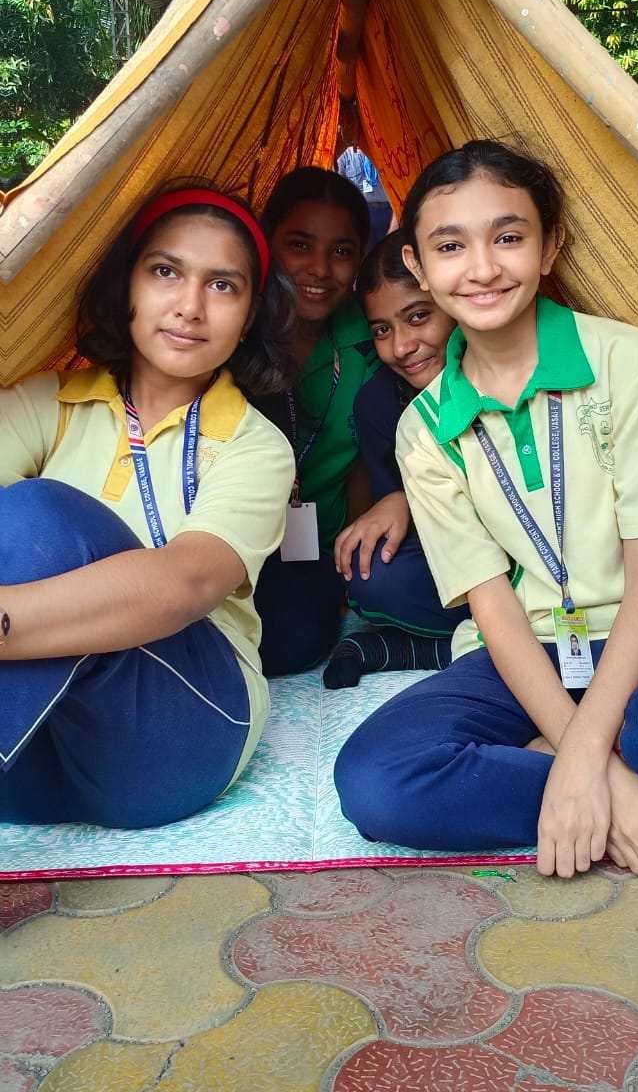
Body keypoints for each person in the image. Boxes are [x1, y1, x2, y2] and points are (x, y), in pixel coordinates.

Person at [335, 140, 638, 877]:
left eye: (508, 237)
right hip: (527, 659)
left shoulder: (624, 360)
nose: (482, 268)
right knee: (378, 780)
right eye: (451, 246)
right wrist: (593, 760)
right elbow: (494, 608)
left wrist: (579, 750)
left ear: (551, 246)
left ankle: (571, 773)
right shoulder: (424, 428)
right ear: (418, 263)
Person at [0, 183, 295, 829]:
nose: (189, 306)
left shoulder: (255, 445)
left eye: (223, 285)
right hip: (35, 754)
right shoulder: (48, 403)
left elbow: (184, 582)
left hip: (175, 736)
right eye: (165, 271)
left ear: (249, 315)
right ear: (126, 285)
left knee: (40, 515)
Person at [324, 231, 469, 688]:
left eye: (419, 316)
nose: (402, 346)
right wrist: (399, 499)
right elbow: (410, 524)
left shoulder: (501, 371)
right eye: (382, 330)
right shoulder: (380, 402)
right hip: (462, 561)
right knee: (371, 572)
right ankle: (470, 644)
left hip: (539, 555)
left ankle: (445, 647)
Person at [251, 166, 378, 675]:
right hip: (228, 543)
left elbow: (364, 462)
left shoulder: (370, 338)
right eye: (300, 245)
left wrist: (352, 571)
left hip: (314, 550)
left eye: (341, 251)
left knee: (292, 645)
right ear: (267, 243)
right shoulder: (235, 327)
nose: (320, 269)